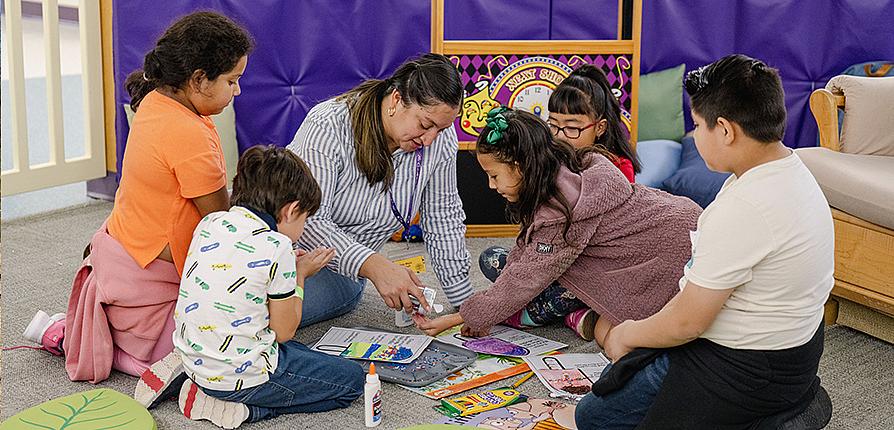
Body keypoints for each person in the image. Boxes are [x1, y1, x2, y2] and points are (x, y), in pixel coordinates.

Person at [575, 55, 834, 429]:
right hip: (797, 351)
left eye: (697, 126)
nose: (695, 136)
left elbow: (687, 324)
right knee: (631, 365)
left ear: (725, 130)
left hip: (745, 367)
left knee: (594, 416)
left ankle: (775, 418)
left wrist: (626, 334)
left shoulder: (744, 207)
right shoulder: (793, 171)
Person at [21, 11, 253, 383]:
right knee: (300, 298)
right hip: (149, 295)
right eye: (232, 81)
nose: (237, 91)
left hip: (122, 269)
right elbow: (222, 226)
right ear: (197, 80)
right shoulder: (190, 134)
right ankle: (114, 349)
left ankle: (81, 333)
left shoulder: (155, 102)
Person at [414, 107, 701, 348]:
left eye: (494, 176)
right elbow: (525, 255)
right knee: (494, 260)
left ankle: (572, 313)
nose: (491, 185)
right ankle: (577, 310)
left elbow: (527, 278)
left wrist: (466, 317)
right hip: (672, 224)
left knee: (556, 300)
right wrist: (484, 309)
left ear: (520, 166)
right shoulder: (556, 170)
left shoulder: (561, 210)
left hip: (669, 252)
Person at [157, 145, 363, 429]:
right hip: (243, 378)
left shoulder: (211, 222)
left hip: (195, 361)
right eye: (305, 218)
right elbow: (283, 332)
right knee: (352, 380)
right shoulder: (278, 246)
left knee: (304, 353)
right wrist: (300, 274)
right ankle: (247, 410)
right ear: (291, 210)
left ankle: (200, 386)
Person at [286, 53, 473, 325]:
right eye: (425, 125)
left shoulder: (440, 141)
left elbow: (443, 219)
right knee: (245, 309)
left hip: (342, 271)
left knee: (270, 315)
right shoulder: (328, 123)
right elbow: (309, 221)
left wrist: (466, 305)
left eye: (441, 130)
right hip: (283, 250)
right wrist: (374, 265)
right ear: (396, 99)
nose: (430, 139)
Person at [478, 64, 644, 340]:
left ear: (600, 127)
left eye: (572, 128)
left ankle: (552, 314)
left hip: (591, 267)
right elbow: (539, 240)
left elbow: (593, 241)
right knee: (493, 259)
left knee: (567, 287)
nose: (560, 135)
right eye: (553, 125)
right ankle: (563, 312)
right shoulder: (550, 165)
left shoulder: (612, 170)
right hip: (555, 259)